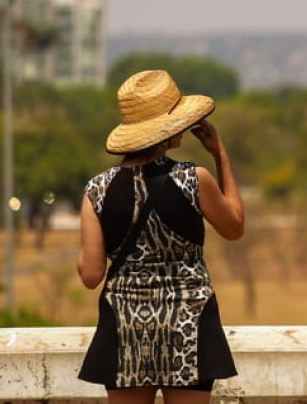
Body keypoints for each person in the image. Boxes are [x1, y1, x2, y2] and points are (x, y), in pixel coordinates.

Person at [76, 69, 244, 404]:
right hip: (189, 322)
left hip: (126, 326)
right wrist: (220, 154)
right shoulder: (194, 179)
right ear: (169, 130)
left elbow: (91, 275)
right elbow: (234, 227)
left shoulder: (97, 189)